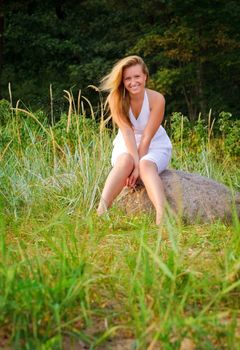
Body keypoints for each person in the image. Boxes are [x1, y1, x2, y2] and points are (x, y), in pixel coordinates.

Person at [97, 55, 172, 224]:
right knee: (125, 161)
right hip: (126, 142)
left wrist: (138, 166)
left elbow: (146, 137)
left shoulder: (157, 99)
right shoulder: (115, 99)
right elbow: (127, 133)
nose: (133, 82)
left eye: (137, 76)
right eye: (127, 79)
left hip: (155, 143)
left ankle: (162, 216)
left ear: (145, 76)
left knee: (146, 165)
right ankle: (100, 212)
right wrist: (133, 164)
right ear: (122, 81)